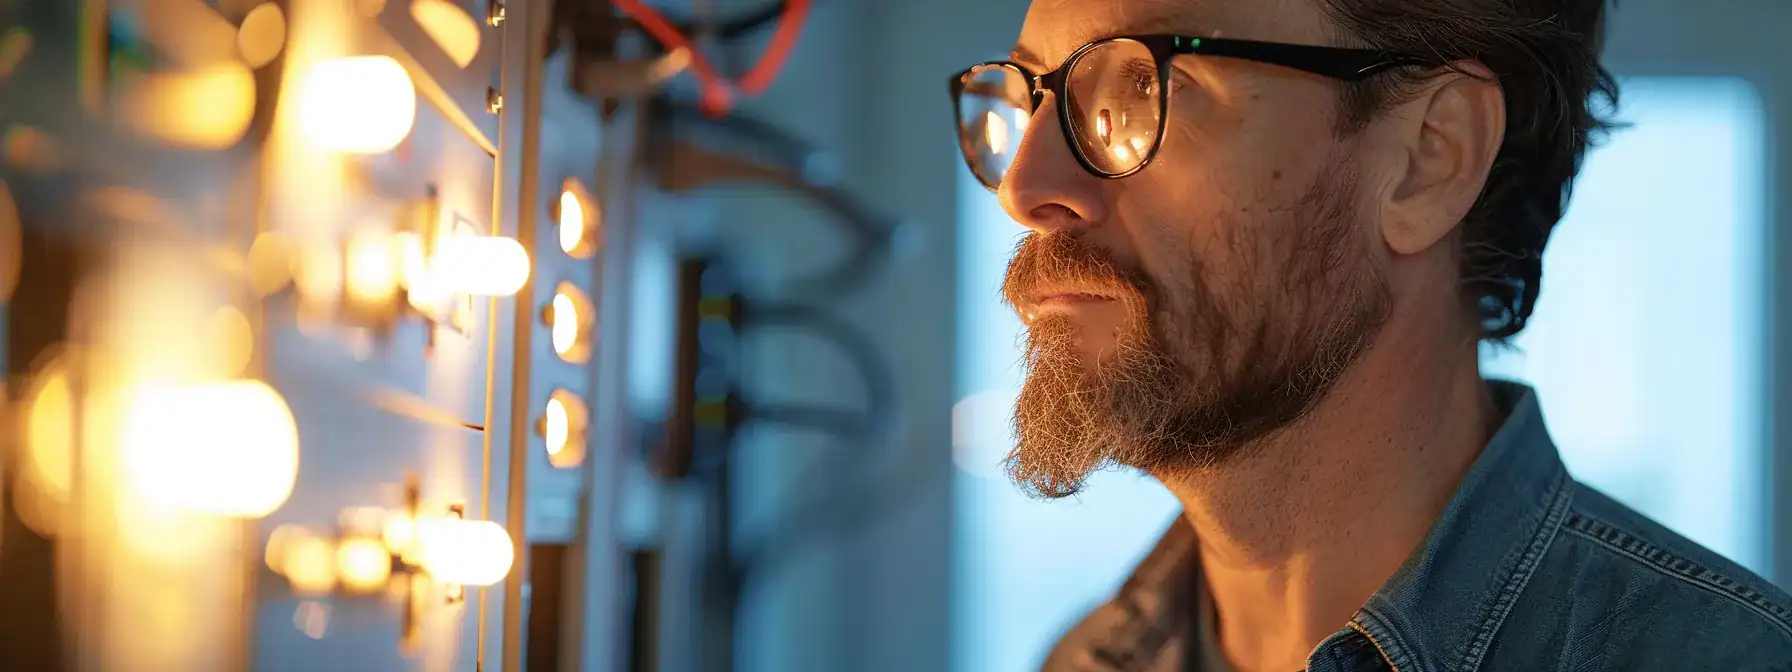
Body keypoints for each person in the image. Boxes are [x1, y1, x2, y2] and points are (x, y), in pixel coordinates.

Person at [948, 0, 1792, 670]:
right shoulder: (1091, 660)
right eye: (1028, 99)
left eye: (1138, 90)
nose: (1023, 189)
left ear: (1430, 157)